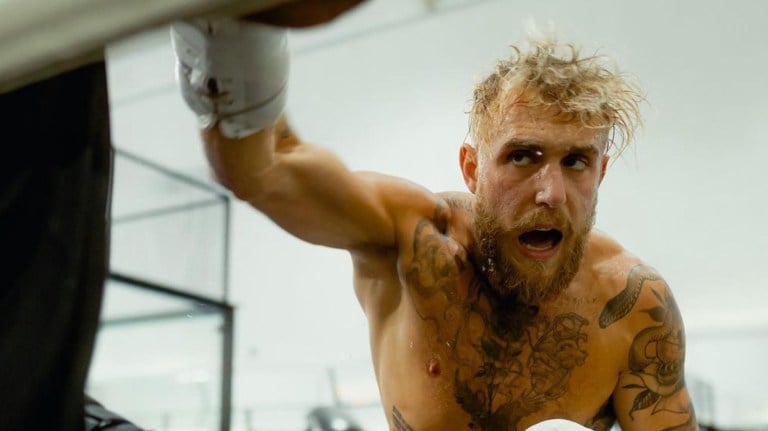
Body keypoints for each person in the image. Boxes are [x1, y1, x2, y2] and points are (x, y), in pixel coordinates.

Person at [171, 14, 698, 431]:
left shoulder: (634, 306)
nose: (550, 193)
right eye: (522, 156)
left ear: (601, 172)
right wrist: (225, 31)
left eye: (576, 161)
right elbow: (259, 169)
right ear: (472, 168)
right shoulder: (410, 239)